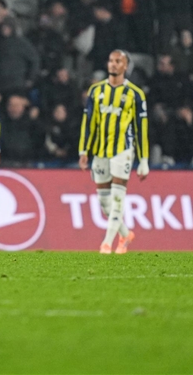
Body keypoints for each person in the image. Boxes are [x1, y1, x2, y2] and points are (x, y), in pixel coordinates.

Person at [78, 50, 149, 255]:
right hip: (100, 151)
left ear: (125, 66)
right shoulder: (95, 91)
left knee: (118, 198)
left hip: (123, 150)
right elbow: (88, 123)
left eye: (118, 61)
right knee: (104, 202)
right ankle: (126, 234)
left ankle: (106, 244)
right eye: (111, 60)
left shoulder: (135, 94)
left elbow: (141, 128)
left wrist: (143, 160)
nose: (113, 64)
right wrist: (84, 150)